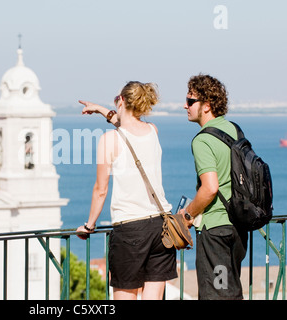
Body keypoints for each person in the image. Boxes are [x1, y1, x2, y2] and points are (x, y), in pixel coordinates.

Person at [76, 81, 177, 300]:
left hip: (131, 229)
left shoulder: (107, 141)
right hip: (161, 227)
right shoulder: (153, 131)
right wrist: (101, 109)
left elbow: (100, 189)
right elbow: (127, 128)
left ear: (121, 100)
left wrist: (89, 225)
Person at [178, 74, 248, 300]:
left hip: (216, 230)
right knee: (230, 291)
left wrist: (188, 215)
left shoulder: (202, 140)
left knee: (216, 294)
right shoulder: (234, 130)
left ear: (206, 105)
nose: (185, 106)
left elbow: (210, 188)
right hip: (238, 227)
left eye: (190, 101)